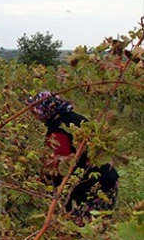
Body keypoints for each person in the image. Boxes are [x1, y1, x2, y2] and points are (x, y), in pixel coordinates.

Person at [26, 91, 119, 225]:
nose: (35, 117)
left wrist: (40, 183)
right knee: (98, 229)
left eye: (36, 113)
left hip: (94, 187)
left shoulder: (58, 132)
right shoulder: (75, 118)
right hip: (106, 180)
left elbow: (60, 169)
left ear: (46, 110)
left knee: (85, 233)